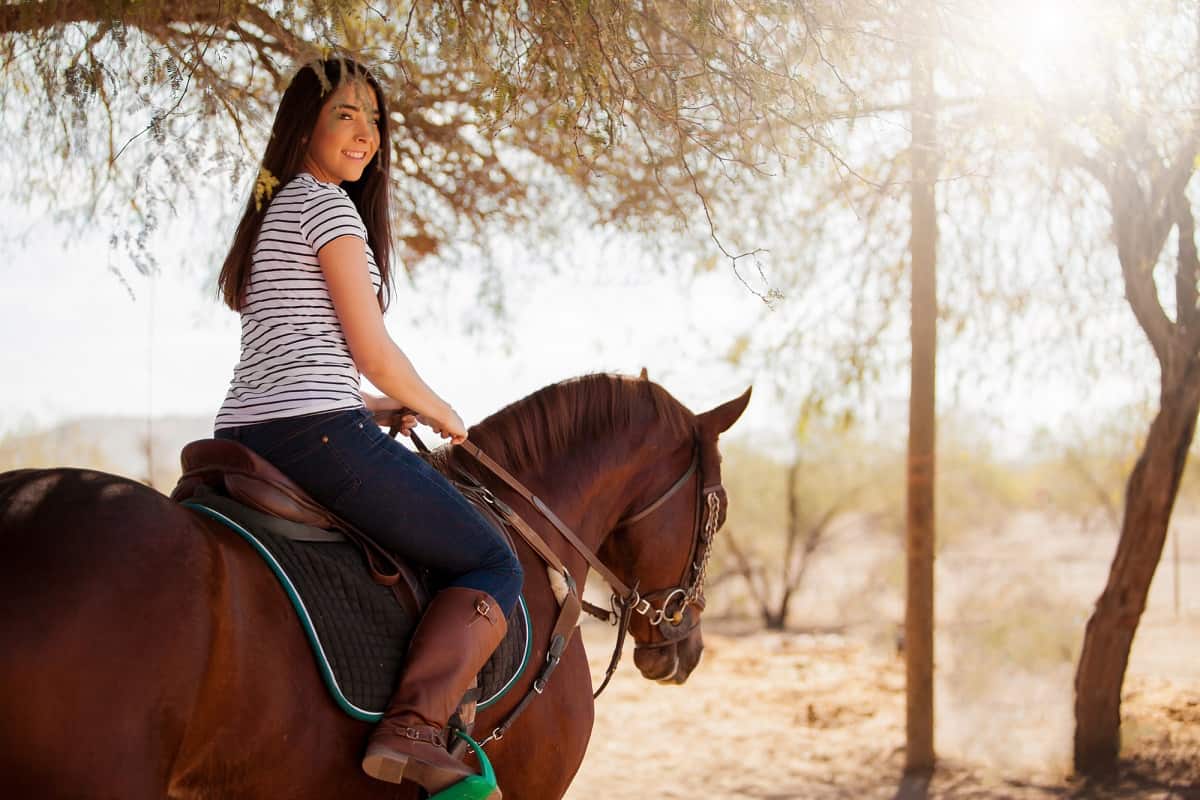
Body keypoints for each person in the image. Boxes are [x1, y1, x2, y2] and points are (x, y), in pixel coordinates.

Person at [212, 57, 523, 794]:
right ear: (305, 125)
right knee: (494, 561)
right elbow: (371, 350)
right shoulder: (326, 207)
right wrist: (440, 408)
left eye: (374, 119)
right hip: (314, 432)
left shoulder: (276, 209)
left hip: (247, 433)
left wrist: (379, 406)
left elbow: (298, 351)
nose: (364, 133)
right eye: (345, 114)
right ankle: (414, 730)